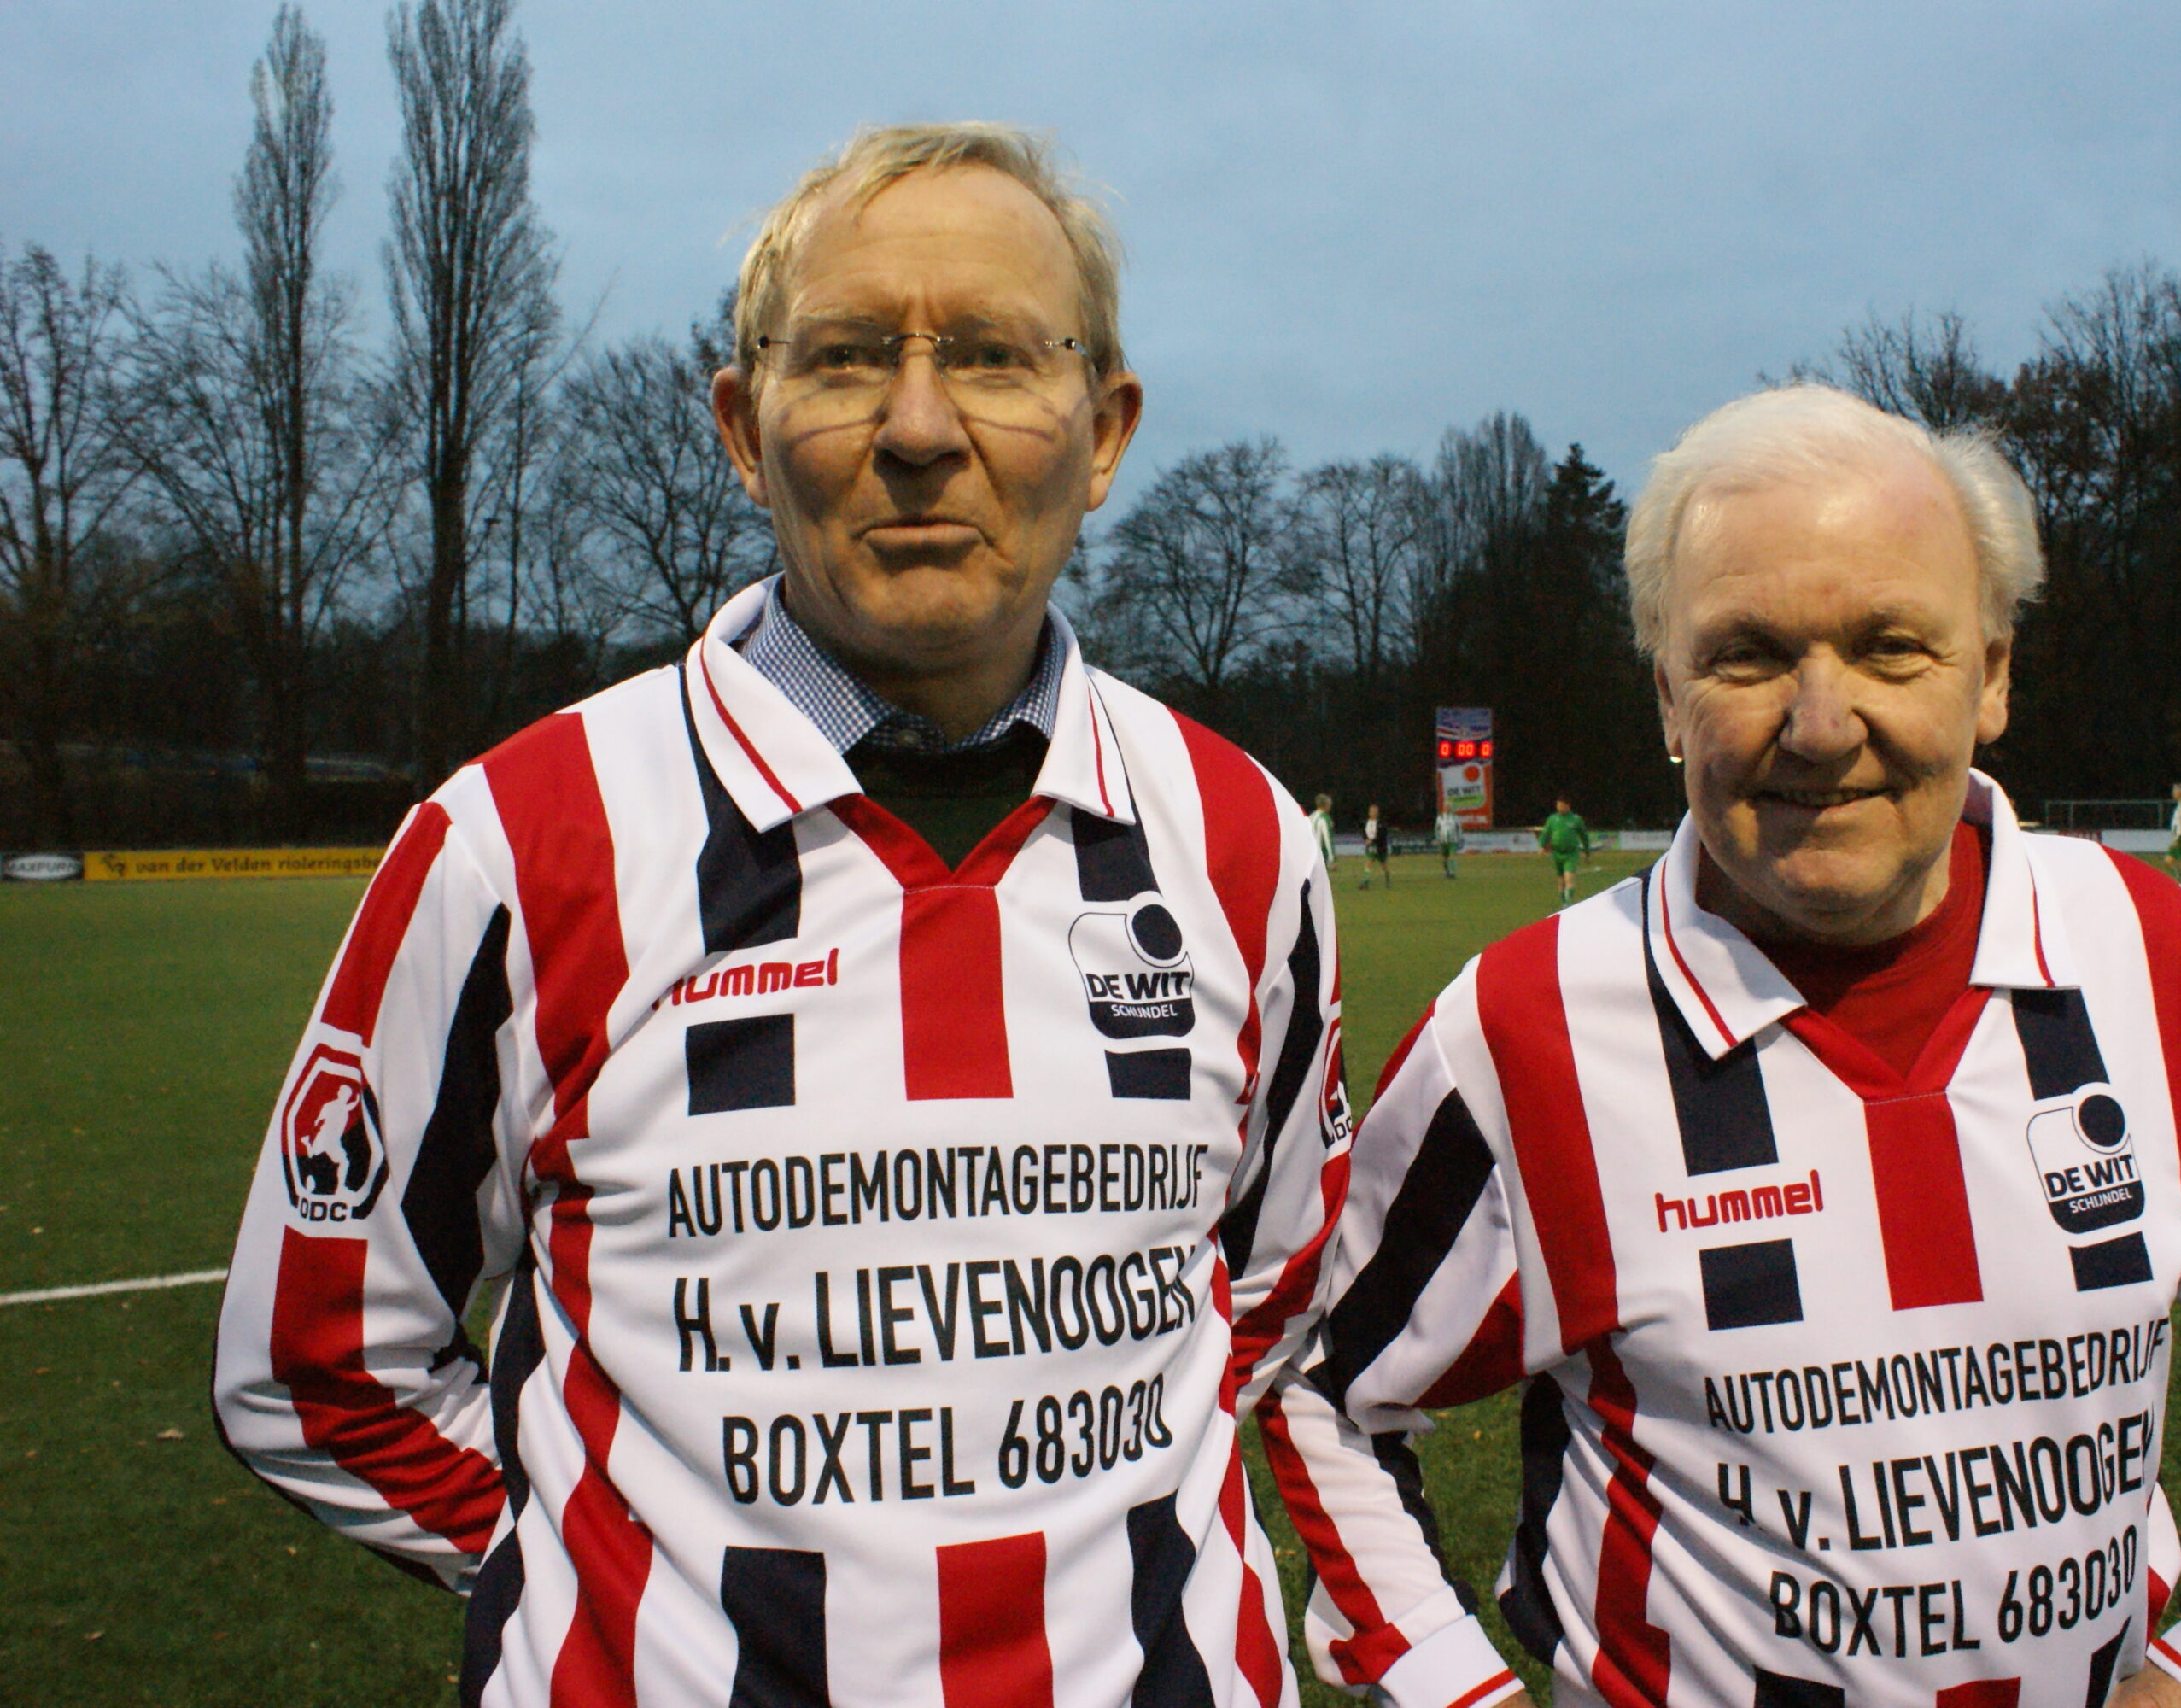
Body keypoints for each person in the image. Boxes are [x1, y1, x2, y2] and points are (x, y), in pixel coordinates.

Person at [214, 124, 1350, 1708]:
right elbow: (319, 1363)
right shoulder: (515, 843)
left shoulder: (1244, 840)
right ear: (746, 430)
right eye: (843, 359)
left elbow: (1276, 1293)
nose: (918, 426)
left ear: (1105, 433)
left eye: (999, 356)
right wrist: (598, 1583)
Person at [1262, 386, 2181, 1708]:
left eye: (1891, 648)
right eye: (1748, 655)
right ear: (1666, 698)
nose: (1821, 725)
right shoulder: (1524, 1029)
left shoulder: (2161, 962)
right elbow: (1325, 1382)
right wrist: (1451, 1690)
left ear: (1991, 675)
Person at [1541, 794, 1593, 904]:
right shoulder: (1552, 819)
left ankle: (1568, 904)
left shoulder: (1576, 820)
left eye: (1561, 806)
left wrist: (1587, 852)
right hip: (1557, 853)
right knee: (1561, 882)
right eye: (1558, 806)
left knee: (1569, 878)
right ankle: (1563, 903)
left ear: (1568, 806)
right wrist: (1542, 846)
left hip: (1571, 854)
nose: (1559, 808)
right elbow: (1546, 833)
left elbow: (1584, 837)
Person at [1360, 803, 1392, 890]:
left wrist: (1373, 841)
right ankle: (1365, 882)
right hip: (1370, 847)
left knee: (1383, 865)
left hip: (1380, 847)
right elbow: (1363, 832)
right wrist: (1366, 839)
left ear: (1377, 813)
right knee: (1368, 863)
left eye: (1375, 812)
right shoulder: (1366, 822)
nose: (1373, 813)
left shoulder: (1381, 823)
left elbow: (1382, 835)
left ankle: (1387, 880)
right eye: (1371, 811)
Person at [1435, 805, 1465, 879]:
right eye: (1446, 808)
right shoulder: (1440, 818)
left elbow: (1459, 828)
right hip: (1443, 841)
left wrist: (1460, 837)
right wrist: (1437, 838)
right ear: (1444, 809)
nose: (1447, 809)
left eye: (1449, 808)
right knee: (1445, 858)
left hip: (1453, 840)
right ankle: (1447, 872)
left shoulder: (1455, 818)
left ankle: (1452, 872)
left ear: (1451, 809)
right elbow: (1437, 829)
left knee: (1452, 856)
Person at [1312, 791, 1339, 869]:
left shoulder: (1311, 816)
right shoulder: (1325, 819)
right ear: (1326, 805)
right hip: (1320, 855)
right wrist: (1332, 859)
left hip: (1309, 854)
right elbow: (1328, 839)